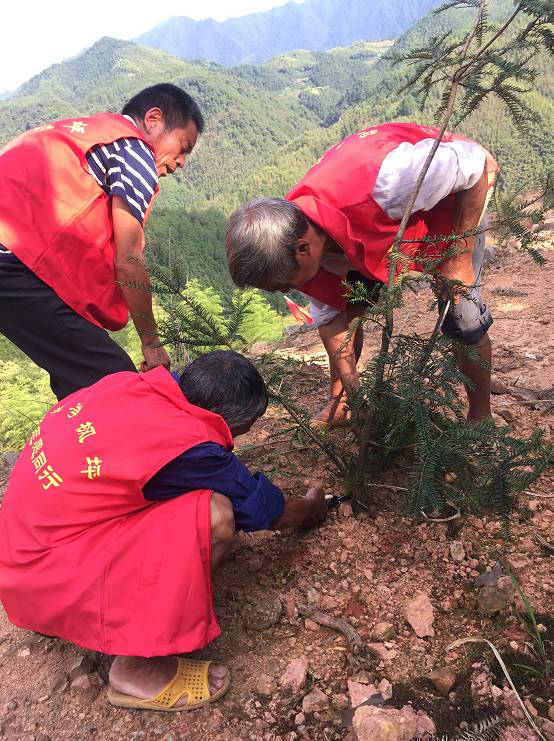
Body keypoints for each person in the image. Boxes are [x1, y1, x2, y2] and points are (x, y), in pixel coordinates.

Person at [0, 350, 327, 712]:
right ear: (228, 419)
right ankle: (136, 666)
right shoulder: (191, 448)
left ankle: (85, 613)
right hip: (48, 583)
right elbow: (267, 510)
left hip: (20, 562)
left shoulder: (130, 384)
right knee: (215, 515)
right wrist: (312, 508)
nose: (241, 435)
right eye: (246, 425)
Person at [225, 122, 498, 425]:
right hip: (364, 237)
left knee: (463, 317)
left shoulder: (390, 184)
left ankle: (480, 416)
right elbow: (332, 320)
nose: (286, 292)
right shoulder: (289, 237)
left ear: (304, 249)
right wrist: (352, 387)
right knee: (351, 303)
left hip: (453, 203)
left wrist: (458, 257)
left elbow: (477, 162)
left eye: (283, 284)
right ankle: (340, 401)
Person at [0, 83, 203, 400]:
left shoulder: (94, 134)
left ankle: (78, 441)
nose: (181, 163)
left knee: (79, 374)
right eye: (183, 146)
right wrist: (150, 343)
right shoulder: (136, 155)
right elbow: (129, 259)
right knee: (114, 382)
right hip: (12, 261)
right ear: (153, 119)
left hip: (16, 260)